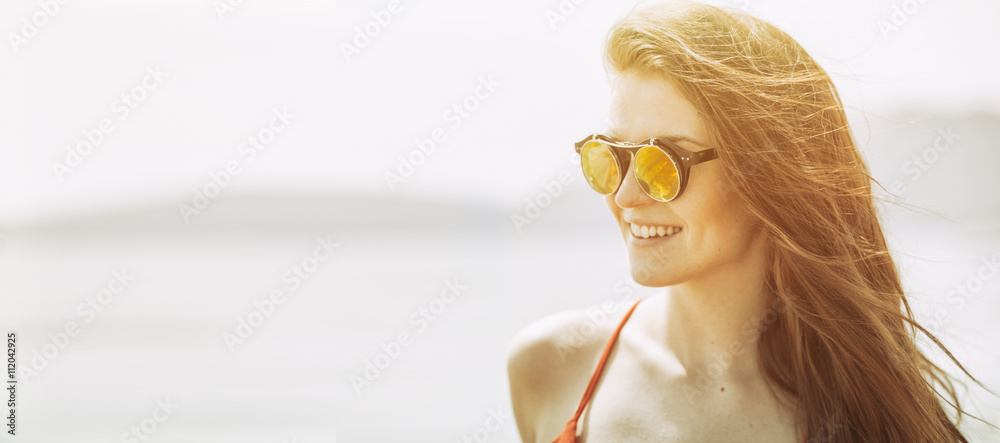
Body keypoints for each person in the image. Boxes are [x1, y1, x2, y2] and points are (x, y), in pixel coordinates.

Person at [506, 1, 985, 442]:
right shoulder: (547, 366)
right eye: (609, 156)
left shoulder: (863, 415)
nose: (625, 194)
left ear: (765, 177)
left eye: (662, 162)